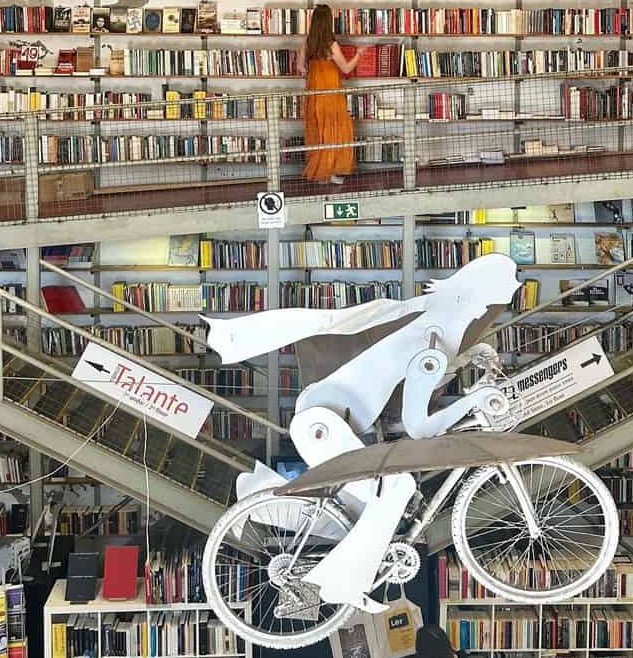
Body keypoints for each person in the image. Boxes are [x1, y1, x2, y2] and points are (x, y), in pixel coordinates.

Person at [204, 253, 522, 613]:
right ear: (477, 298)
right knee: (399, 486)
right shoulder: (431, 342)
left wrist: (469, 359)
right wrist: (472, 401)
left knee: (369, 502)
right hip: (322, 422)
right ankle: (343, 585)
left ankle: (328, 561)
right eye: (493, 301)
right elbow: (419, 427)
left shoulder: (431, 323)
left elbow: (424, 372)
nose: (486, 312)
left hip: (329, 417)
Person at [300, 4, 368, 185]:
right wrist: (359, 55)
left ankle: (320, 171)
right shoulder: (331, 44)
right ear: (328, 22)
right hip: (331, 92)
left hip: (314, 93)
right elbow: (346, 68)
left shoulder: (308, 43)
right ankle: (330, 171)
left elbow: (301, 68)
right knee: (335, 130)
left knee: (318, 131)